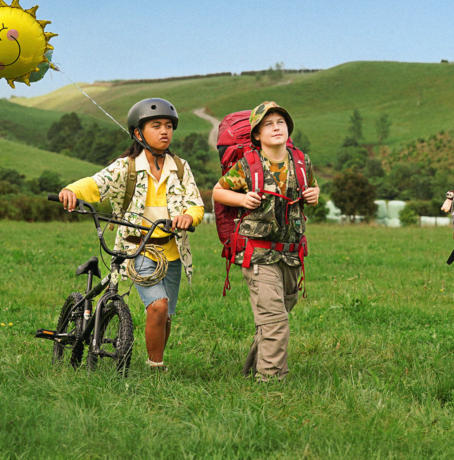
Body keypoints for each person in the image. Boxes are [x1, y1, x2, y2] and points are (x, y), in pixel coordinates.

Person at [58, 98, 204, 369]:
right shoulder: (126, 167)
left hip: (171, 251)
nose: (165, 131)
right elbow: (95, 184)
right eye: (156, 125)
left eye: (169, 126)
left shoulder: (181, 168)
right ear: (138, 133)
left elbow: (195, 203)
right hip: (136, 247)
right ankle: (156, 370)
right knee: (158, 307)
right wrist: (71, 190)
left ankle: (155, 359)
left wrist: (188, 216)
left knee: (166, 314)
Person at [212, 101, 320, 382]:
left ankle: (251, 370)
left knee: (275, 317)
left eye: (280, 123)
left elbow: (313, 186)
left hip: (291, 255)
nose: (275, 127)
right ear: (257, 135)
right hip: (258, 254)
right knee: (275, 321)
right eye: (268, 124)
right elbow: (218, 191)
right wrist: (241, 198)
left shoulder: (301, 160)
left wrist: (315, 195)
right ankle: (270, 383)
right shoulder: (248, 165)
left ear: (288, 129)